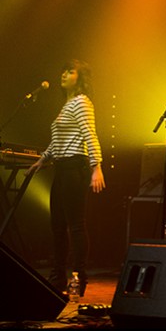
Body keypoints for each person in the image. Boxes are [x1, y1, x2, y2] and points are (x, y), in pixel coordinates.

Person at [26, 59, 105, 297]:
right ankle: (57, 275)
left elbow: (89, 133)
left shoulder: (81, 102)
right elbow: (58, 139)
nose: (64, 74)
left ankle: (79, 277)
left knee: (76, 225)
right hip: (62, 168)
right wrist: (43, 158)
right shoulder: (68, 104)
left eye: (70, 71)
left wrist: (96, 166)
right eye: (63, 70)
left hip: (74, 167)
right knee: (57, 226)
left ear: (79, 79)